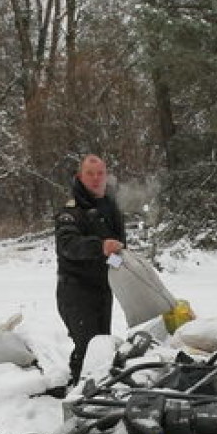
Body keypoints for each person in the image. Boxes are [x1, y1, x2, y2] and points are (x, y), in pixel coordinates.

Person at [54, 154, 125, 386]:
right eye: (90, 174)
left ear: (106, 176)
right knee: (87, 347)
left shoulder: (111, 208)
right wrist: (100, 245)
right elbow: (68, 246)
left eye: (100, 174)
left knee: (102, 347)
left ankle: (97, 391)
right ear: (80, 177)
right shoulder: (71, 211)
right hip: (76, 291)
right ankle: (79, 396)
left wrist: (123, 265)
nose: (95, 179)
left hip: (103, 288)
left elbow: (117, 249)